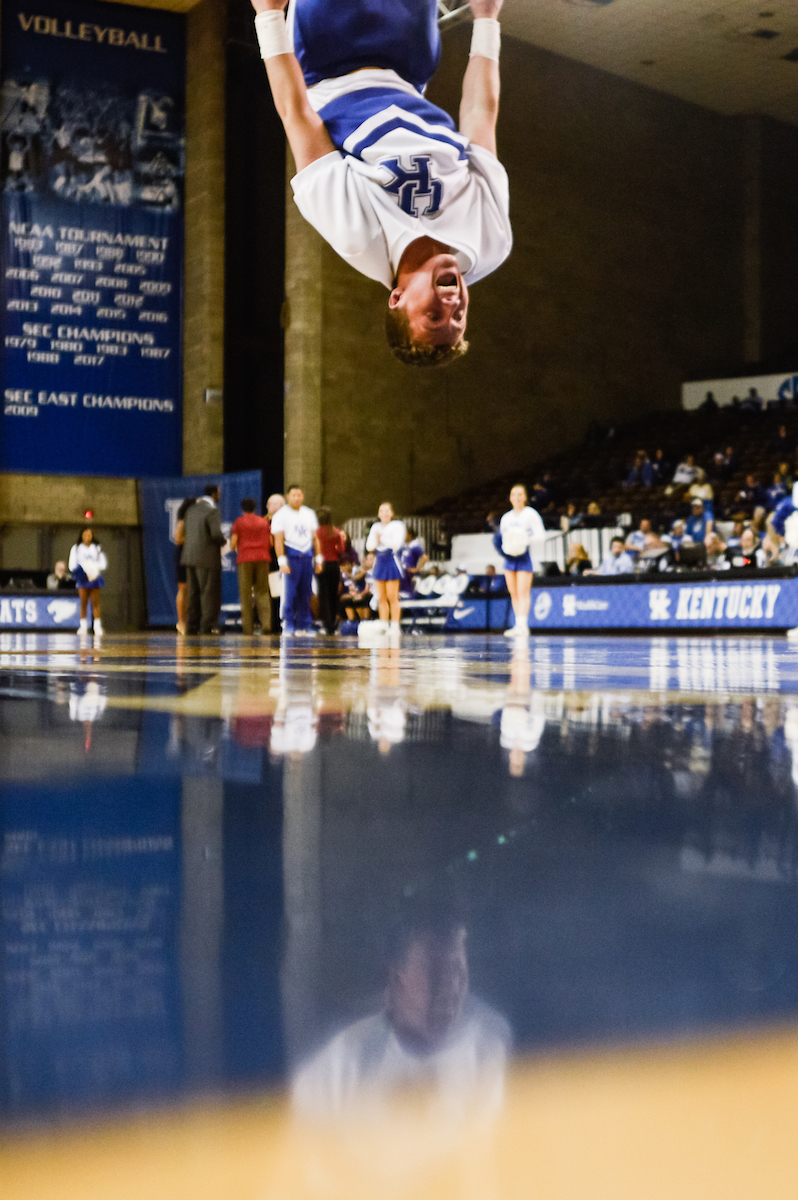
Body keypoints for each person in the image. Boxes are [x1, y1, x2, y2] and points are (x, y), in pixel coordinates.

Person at [251, 0, 511, 368]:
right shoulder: (490, 241)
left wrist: (268, 16)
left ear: (397, 298)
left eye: (433, 317)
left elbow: (297, 116)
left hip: (331, 52)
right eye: (458, 320)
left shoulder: (357, 235)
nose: (451, 307)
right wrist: (487, 20)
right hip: (411, 58)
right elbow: (480, 115)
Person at [292, 907, 509, 1121]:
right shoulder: (337, 1071)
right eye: (436, 971)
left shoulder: (490, 1046)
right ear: (396, 978)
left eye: (458, 970)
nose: (450, 985)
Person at [271, 484, 322, 636]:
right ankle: (288, 623)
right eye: (294, 495)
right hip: (291, 555)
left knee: (306, 592)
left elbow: (315, 538)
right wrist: (281, 561)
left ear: (303, 496)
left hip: (307, 555)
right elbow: (278, 539)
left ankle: (304, 624)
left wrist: (318, 559)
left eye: (299, 495)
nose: (297, 498)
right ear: (288, 497)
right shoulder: (281, 515)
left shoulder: (309, 513)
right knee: (289, 592)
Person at [497, 484, 546, 639]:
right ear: (510, 497)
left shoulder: (531, 514)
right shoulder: (506, 517)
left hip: (524, 556)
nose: (517, 498)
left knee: (523, 591)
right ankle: (518, 625)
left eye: (520, 494)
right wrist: (507, 547)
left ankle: (523, 625)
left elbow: (541, 536)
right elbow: (503, 538)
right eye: (514, 494)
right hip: (510, 557)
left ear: (525, 497)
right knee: (513, 592)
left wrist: (524, 540)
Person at [182, 485, 227, 636]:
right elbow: (215, 534)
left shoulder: (191, 510)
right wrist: (224, 542)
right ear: (214, 494)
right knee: (209, 593)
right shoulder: (212, 511)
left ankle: (191, 627)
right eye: (219, 493)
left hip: (189, 557)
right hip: (207, 558)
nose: (220, 495)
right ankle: (207, 627)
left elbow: (185, 532)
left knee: (193, 593)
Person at [365, 502, 407, 643]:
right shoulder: (375, 527)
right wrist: (377, 540)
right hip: (380, 561)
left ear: (391, 513)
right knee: (381, 596)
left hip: (392, 560)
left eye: (387, 510)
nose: (384, 513)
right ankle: (384, 623)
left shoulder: (397, 525)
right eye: (381, 510)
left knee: (392, 596)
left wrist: (381, 539)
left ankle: (395, 625)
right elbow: (369, 545)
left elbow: (396, 544)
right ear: (378, 514)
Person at [231, 498, 272, 635]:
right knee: (263, 592)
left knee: (246, 594)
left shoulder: (239, 522)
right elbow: (270, 542)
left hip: (245, 559)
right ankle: (266, 624)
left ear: (242, 508)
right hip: (263, 557)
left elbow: (233, 543)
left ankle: (248, 629)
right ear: (255, 507)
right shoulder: (263, 522)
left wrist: (235, 547)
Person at [68, 528, 107, 636]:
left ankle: (97, 627)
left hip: (94, 578)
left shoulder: (97, 548)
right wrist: (82, 569)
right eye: (85, 534)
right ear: (81, 535)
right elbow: (71, 565)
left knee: (95, 602)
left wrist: (93, 568)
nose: (87, 537)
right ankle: (83, 626)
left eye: (89, 535)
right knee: (83, 602)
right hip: (82, 578)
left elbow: (103, 563)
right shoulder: (76, 548)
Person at [315, 506, 346, 634]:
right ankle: (334, 623)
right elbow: (341, 549)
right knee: (334, 595)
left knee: (324, 595)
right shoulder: (336, 531)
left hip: (321, 564)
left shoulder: (315, 532)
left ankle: (326, 624)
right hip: (334, 565)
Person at [174, 497, 196, 636]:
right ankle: (181, 622)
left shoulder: (193, 522)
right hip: (182, 554)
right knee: (183, 588)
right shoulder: (182, 522)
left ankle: (189, 621)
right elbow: (178, 539)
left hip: (192, 553)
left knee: (191, 589)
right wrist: (193, 539)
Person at [266, 493, 286, 634]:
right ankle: (275, 623)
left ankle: (285, 622)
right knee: (275, 593)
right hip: (272, 560)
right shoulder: (265, 521)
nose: (267, 507)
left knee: (285, 593)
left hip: (286, 559)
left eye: (270, 504)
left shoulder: (286, 519)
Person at [399, 524, 428, 596]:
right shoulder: (405, 546)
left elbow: (424, 558)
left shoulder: (414, 546)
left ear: (410, 535)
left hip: (409, 575)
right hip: (403, 574)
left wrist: (417, 569)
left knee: (408, 594)